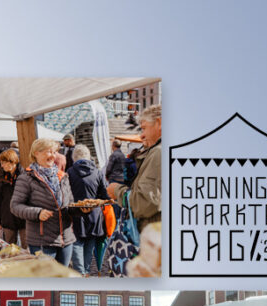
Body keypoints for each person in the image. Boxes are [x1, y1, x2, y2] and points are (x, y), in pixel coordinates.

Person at [10, 138, 89, 267]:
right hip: (42, 241)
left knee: (60, 280)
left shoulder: (62, 176)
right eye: (48, 152)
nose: (52, 156)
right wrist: (37, 212)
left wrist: (80, 209)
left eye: (54, 152)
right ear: (36, 153)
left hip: (65, 239)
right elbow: (15, 206)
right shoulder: (26, 178)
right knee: (46, 282)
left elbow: (69, 205)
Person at [108, 105, 162, 231]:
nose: (142, 136)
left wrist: (117, 191)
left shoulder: (159, 152)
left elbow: (145, 203)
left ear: (159, 123)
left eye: (144, 129)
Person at [66, 144, 109, 275]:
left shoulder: (69, 172)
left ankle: (80, 273)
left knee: (77, 243)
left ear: (74, 158)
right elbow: (105, 195)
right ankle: (85, 271)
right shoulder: (97, 172)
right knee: (90, 244)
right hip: (94, 214)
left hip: (75, 213)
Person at [0, 149, 25, 245]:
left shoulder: (24, 177)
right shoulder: (3, 177)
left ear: (11, 161)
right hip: (8, 218)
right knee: (9, 247)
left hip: (23, 218)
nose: (1, 166)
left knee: (26, 249)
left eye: (3, 163)